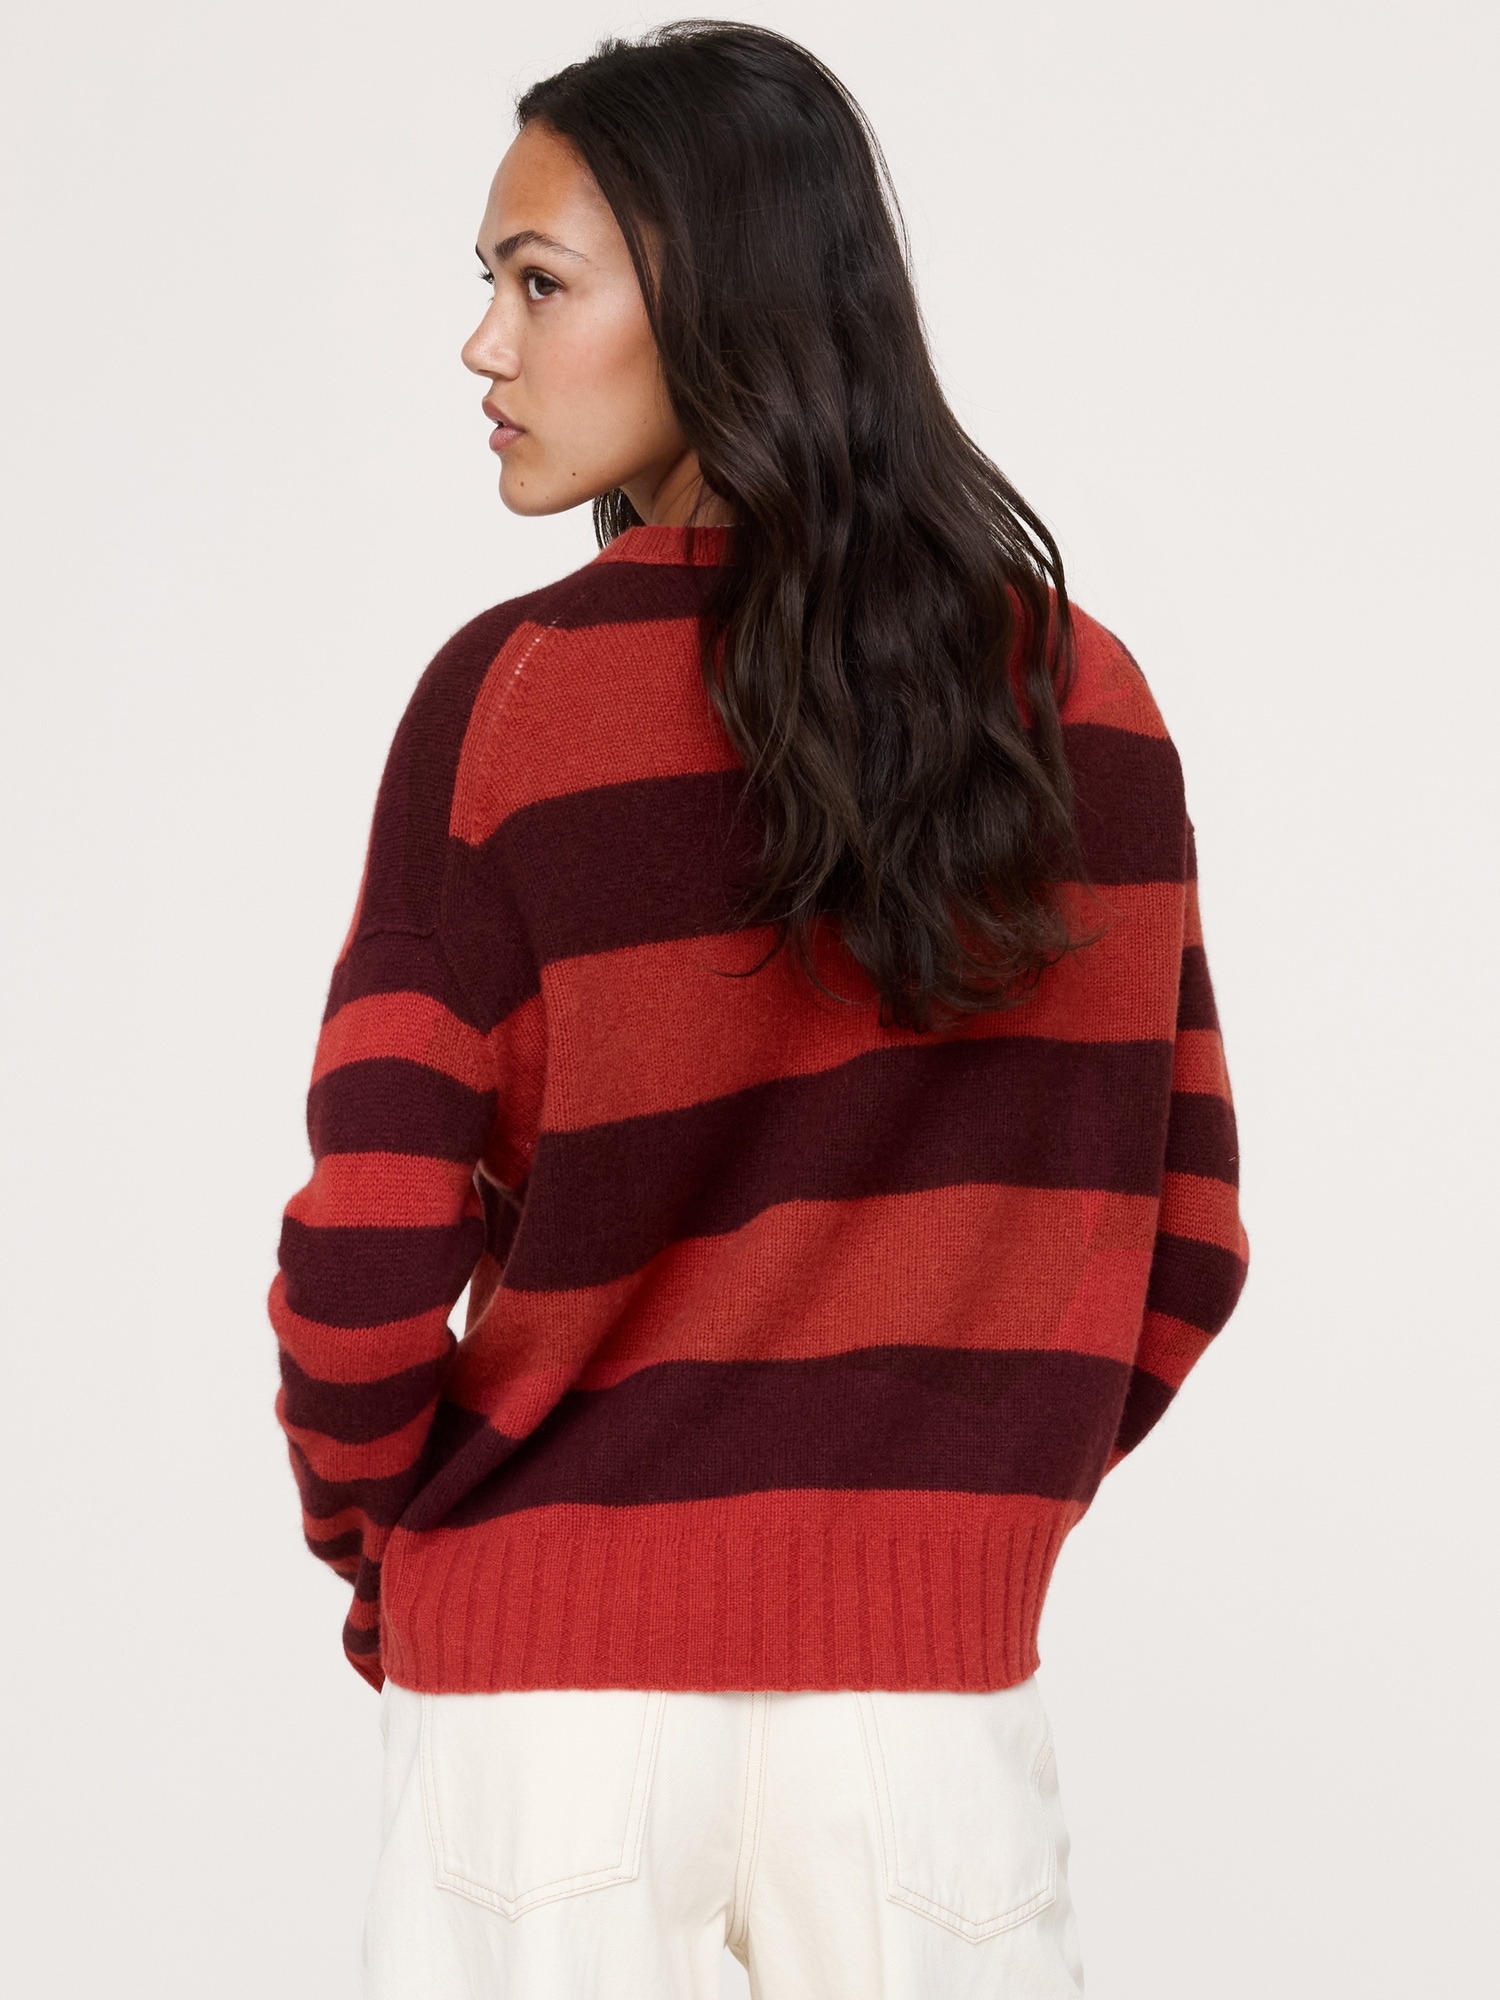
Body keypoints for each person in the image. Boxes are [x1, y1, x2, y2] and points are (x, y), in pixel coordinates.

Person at [269, 22, 1247, 1997]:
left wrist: (402, 1559)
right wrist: (951, 1518)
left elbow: (366, 1246)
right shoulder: (1083, 700)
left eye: (539, 282)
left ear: (713, 295)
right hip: (926, 1733)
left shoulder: (512, 705)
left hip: (547, 1713)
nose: (482, 345)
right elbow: (1190, 1240)